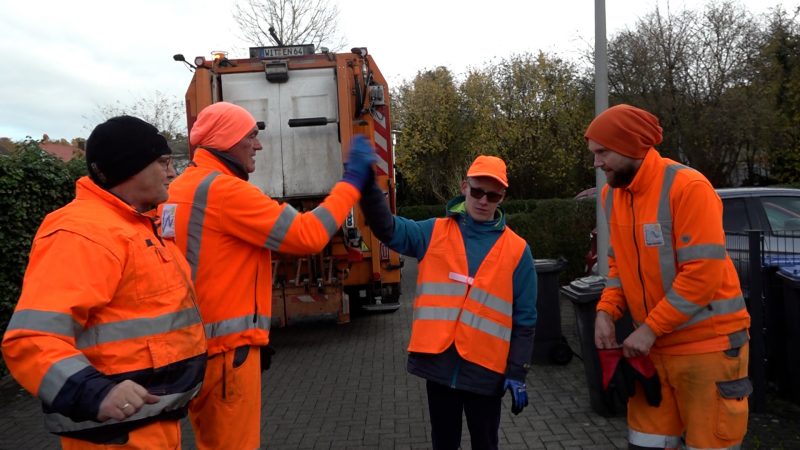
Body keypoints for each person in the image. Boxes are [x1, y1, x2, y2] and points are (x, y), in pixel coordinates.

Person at [163, 101, 376, 450]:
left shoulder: (180, 190)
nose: (258, 145)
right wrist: (350, 184)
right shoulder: (226, 192)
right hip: (226, 356)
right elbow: (307, 235)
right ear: (228, 140)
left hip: (193, 348)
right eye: (251, 136)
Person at [1, 116, 207, 449]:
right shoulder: (83, 233)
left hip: (145, 423)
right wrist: (96, 392)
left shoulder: (137, 225)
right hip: (115, 433)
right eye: (162, 162)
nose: (172, 173)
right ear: (131, 168)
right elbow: (29, 339)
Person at [586, 104, 752, 449]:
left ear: (631, 146)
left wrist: (648, 329)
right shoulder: (611, 195)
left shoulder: (689, 187)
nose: (597, 163)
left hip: (708, 348)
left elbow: (701, 276)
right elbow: (619, 266)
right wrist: (606, 311)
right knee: (646, 442)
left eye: (603, 152)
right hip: (651, 350)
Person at [358, 154, 537, 450]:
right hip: (439, 366)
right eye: (478, 191)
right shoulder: (433, 232)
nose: (483, 201)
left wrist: (518, 372)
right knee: (443, 443)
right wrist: (369, 191)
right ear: (464, 186)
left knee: (485, 444)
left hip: (484, 371)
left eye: (492, 195)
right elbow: (389, 229)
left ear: (502, 197)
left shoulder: (518, 251)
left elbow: (526, 319)